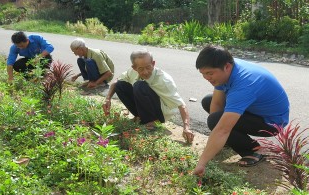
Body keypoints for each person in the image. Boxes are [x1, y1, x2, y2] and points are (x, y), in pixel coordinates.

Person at [192, 45, 290, 176]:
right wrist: (218, 137)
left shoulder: (244, 83)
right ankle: (229, 141)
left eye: (209, 73)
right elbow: (217, 102)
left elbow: (222, 129)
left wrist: (201, 163)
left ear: (226, 67)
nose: (207, 78)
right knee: (208, 102)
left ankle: (253, 150)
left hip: (272, 122)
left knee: (216, 121)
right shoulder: (227, 68)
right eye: (203, 74)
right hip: (254, 109)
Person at [102, 48, 194, 143]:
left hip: (161, 114)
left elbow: (181, 105)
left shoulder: (164, 80)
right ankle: (140, 117)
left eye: (148, 67)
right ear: (134, 67)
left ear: (153, 64)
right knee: (120, 85)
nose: (145, 72)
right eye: (141, 69)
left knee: (139, 86)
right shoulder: (132, 71)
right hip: (145, 103)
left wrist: (186, 127)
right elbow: (116, 80)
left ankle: (153, 122)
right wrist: (107, 99)